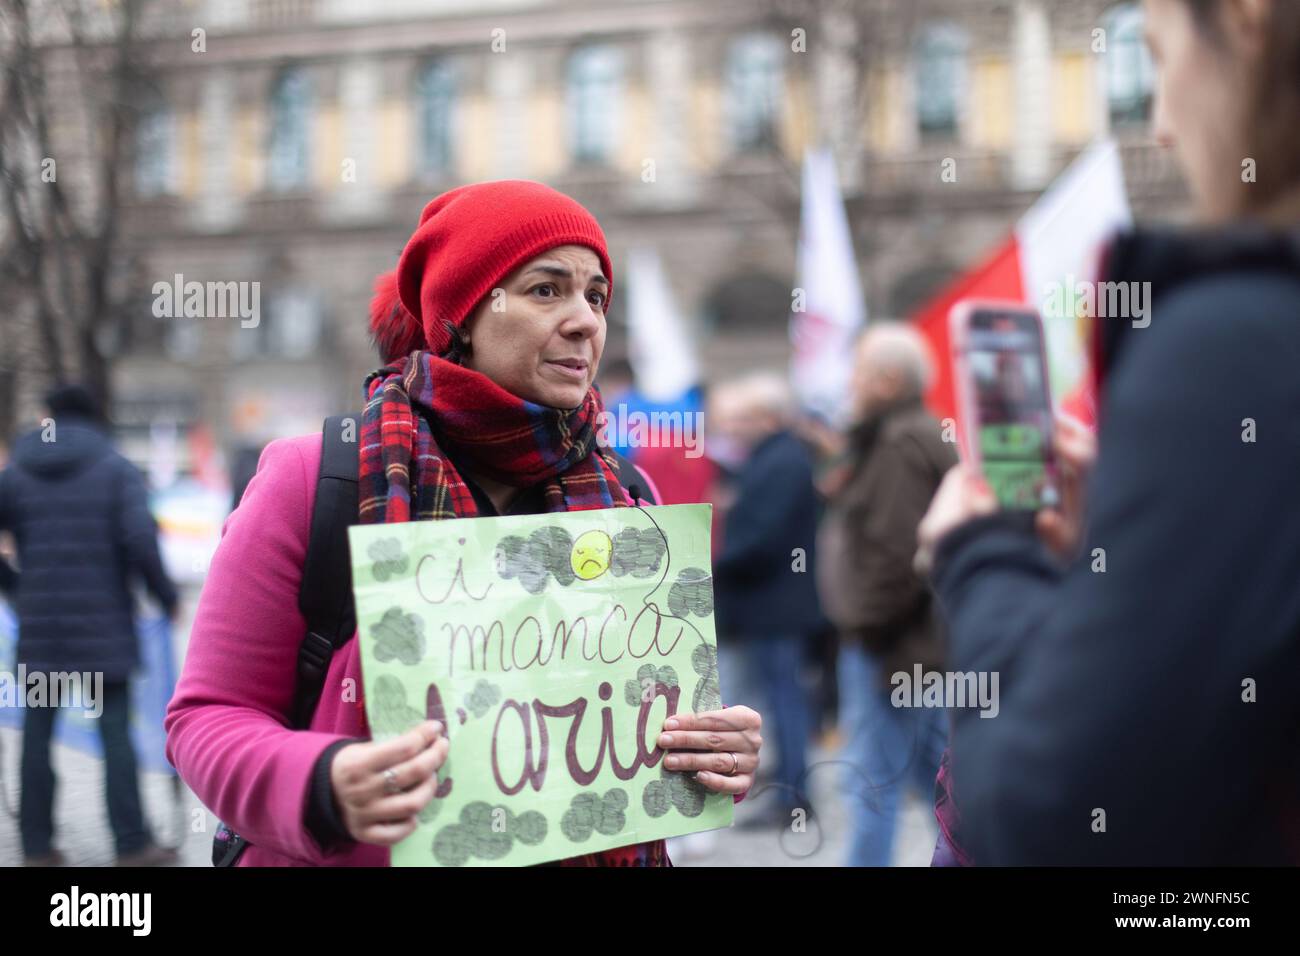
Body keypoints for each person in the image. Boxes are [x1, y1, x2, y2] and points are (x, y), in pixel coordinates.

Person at [165, 181, 762, 866]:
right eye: (547, 290)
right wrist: (322, 783)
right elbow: (205, 718)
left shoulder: (630, 498)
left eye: (596, 296)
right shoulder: (317, 479)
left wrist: (715, 754)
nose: (586, 321)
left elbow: (644, 742)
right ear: (464, 315)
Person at [917, 0, 1300, 864]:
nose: (1160, 125)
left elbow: (1051, 817)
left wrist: (984, 553)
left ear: (1247, 23)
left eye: (1156, 58)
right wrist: (1129, 551)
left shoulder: (1239, 342)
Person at [0, 384, 179, 866]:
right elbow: (141, 539)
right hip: (105, 629)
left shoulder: (16, 472)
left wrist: (14, 587)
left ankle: (36, 847)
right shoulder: (115, 469)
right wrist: (165, 597)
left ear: (49, 417)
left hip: (40, 631)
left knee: (37, 738)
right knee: (115, 736)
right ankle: (131, 843)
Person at [816, 324, 956, 866]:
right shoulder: (903, 435)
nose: (850, 381)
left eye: (859, 369)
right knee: (934, 775)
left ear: (889, 379)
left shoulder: (901, 442)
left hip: (891, 645)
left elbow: (897, 556)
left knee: (872, 782)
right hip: (912, 642)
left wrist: (866, 626)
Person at [710, 373, 822, 825]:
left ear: (771, 417)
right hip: (770, 607)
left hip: (776, 609)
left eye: (748, 417)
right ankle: (788, 790)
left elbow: (762, 538)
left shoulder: (783, 460)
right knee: (779, 703)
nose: (738, 427)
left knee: (784, 705)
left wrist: (712, 566)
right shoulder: (773, 458)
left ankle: (794, 797)